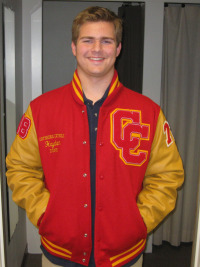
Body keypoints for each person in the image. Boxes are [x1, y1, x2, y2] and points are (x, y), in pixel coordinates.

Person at [6, 6, 184, 267]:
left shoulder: (149, 112)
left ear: (118, 48)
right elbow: (20, 168)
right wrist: (46, 213)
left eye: (106, 41)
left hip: (124, 255)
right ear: (74, 47)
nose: (97, 49)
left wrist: (139, 221)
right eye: (87, 40)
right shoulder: (41, 110)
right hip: (59, 254)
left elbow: (167, 176)